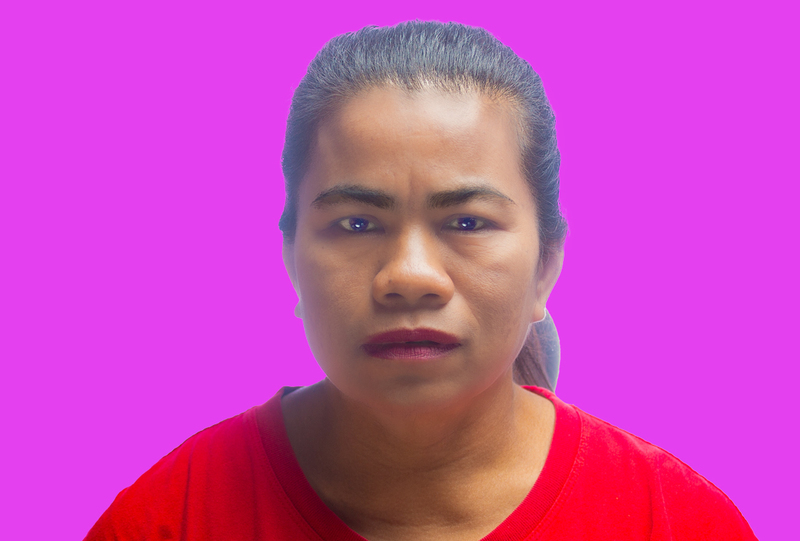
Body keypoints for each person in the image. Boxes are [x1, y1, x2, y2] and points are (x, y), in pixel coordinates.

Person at [85, 21, 756, 540]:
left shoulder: (677, 519)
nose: (409, 276)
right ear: (290, 257)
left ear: (546, 265)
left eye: (466, 222)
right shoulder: (168, 518)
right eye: (356, 223)